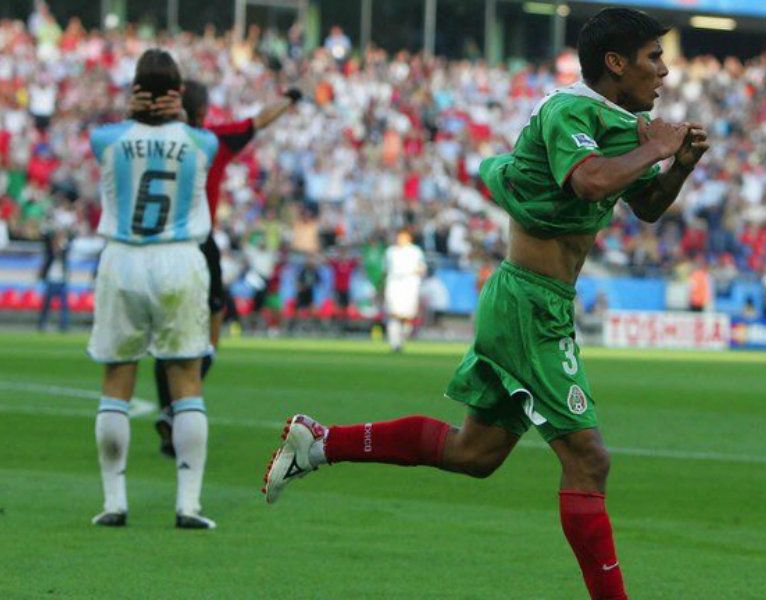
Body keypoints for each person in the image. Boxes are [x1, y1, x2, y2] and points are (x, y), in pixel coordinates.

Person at [261, 8, 709, 600]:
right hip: (529, 303)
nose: (665, 71)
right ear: (615, 63)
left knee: (474, 454)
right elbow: (591, 182)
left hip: (537, 302)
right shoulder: (570, 110)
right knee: (589, 460)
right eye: (653, 57)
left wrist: (677, 165)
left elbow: (645, 206)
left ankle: (320, 442)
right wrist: (656, 148)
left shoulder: (621, 122)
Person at [133, 79, 302, 456]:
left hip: (159, 246)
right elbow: (259, 120)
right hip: (199, 244)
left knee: (167, 337)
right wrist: (289, 98)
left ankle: (168, 415)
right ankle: (175, 409)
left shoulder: (156, 143)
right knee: (210, 330)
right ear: (204, 110)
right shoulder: (213, 140)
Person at [87, 49, 219, 529]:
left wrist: (132, 115)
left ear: (136, 91)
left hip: (122, 261)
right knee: (186, 383)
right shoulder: (201, 143)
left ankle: (115, 502)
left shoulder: (105, 137)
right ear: (178, 96)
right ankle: (188, 505)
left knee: (116, 384)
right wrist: (176, 115)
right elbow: (200, 136)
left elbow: (116, 134)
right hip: (180, 261)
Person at [384, 229, 426, 352]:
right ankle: (394, 342)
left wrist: (414, 274)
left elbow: (422, 268)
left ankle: (402, 339)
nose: (400, 239)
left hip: (410, 285)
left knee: (407, 316)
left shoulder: (415, 251)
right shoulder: (390, 251)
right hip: (394, 284)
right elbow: (385, 269)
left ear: (409, 238)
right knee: (393, 314)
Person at [37, 228, 70, 332]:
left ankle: (63, 326)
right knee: (46, 305)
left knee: (64, 305)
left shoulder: (64, 250)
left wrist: (61, 244)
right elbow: (45, 236)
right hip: (51, 280)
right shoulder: (50, 251)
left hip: (61, 280)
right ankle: (42, 324)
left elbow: (70, 240)